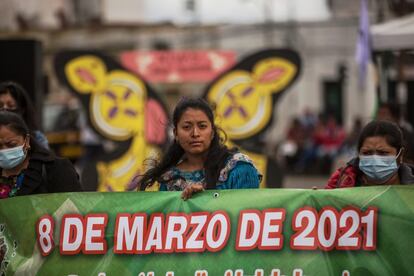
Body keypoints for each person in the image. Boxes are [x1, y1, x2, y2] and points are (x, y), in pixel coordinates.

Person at [137, 97, 260, 199]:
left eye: (202, 126)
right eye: (186, 127)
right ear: (176, 134)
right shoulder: (169, 179)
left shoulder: (239, 167)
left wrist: (205, 202)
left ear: (212, 132)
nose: (195, 133)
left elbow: (248, 216)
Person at [0, 111, 81, 199]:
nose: (4, 150)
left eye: (12, 144)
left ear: (26, 141)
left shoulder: (55, 168)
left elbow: (75, 208)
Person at [325, 120, 414, 189]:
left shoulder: (411, 189)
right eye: (367, 153)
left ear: (400, 154)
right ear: (358, 154)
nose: (375, 158)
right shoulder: (341, 182)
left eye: (383, 153)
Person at [0, 81, 49, 149]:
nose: (4, 109)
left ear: (22, 109)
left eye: (10, 105)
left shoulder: (37, 138)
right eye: (0, 105)